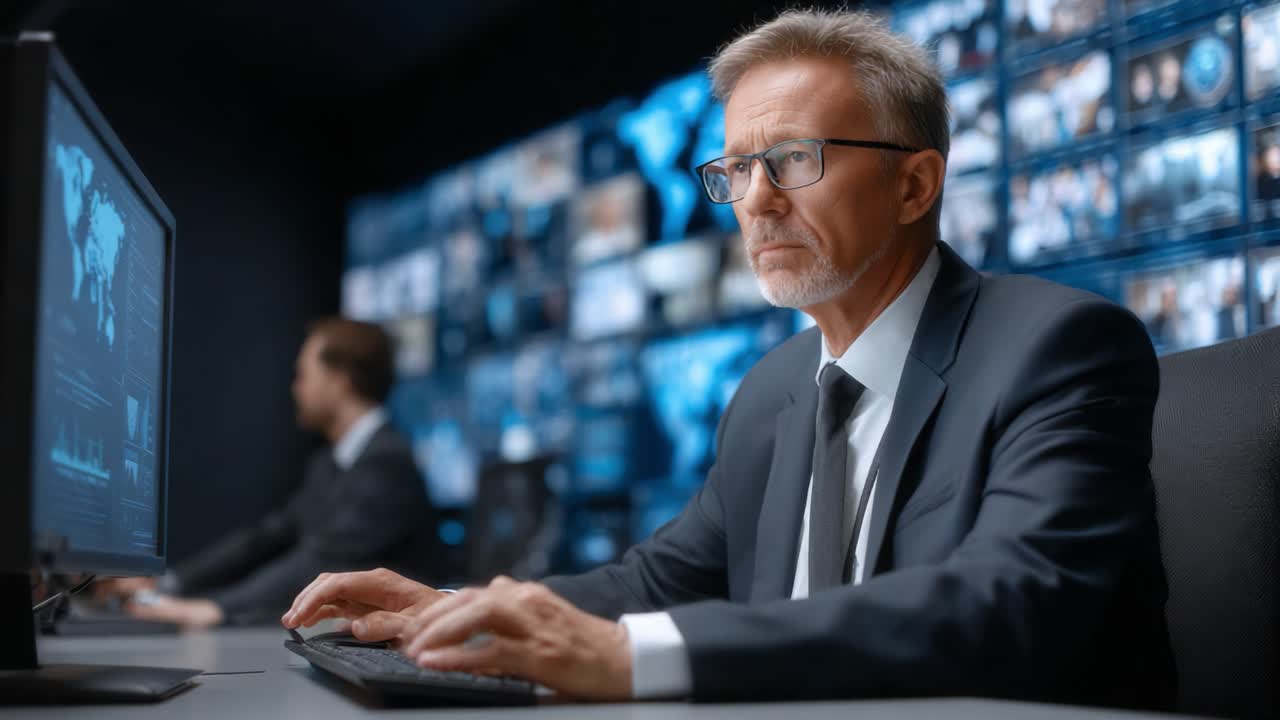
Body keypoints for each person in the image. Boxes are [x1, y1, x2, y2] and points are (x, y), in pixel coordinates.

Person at [282, 9, 1175, 708]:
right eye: (737, 169)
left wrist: (629, 658)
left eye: (793, 159)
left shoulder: (1058, 348)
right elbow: (654, 582)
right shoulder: (771, 391)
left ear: (914, 185)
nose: (756, 201)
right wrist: (459, 609)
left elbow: (1007, 604)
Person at [103, 318, 440, 627]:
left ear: (338, 381)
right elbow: (266, 538)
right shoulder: (329, 464)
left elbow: (324, 558)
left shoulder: (388, 462)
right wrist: (168, 582)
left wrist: (216, 608)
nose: (295, 388)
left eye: (303, 375)